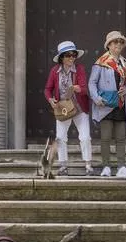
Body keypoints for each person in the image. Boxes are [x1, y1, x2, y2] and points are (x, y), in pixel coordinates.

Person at [89, 30, 126, 177]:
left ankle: (121, 167)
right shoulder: (101, 63)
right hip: (105, 104)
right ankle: (106, 167)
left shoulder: (125, 64)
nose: (118, 44)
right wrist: (97, 99)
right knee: (106, 137)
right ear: (108, 45)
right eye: (115, 42)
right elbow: (92, 83)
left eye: (120, 42)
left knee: (121, 137)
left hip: (120, 104)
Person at [43, 40, 93, 176]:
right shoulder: (54, 71)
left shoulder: (80, 69)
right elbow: (48, 89)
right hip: (63, 109)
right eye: (68, 55)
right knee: (60, 137)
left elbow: (84, 89)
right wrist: (50, 100)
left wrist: (77, 88)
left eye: (73, 55)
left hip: (79, 108)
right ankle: (63, 166)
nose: (71, 58)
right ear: (61, 58)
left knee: (85, 137)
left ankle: (88, 165)